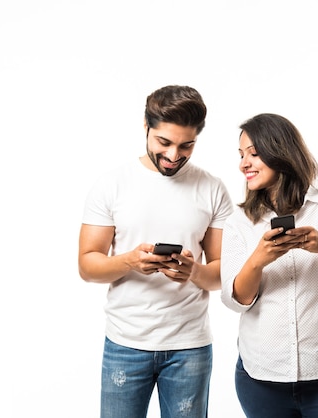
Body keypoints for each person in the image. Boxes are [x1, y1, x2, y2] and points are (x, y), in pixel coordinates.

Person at [78, 85, 233, 418]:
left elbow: (222, 272)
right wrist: (130, 261)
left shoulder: (212, 189)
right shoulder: (112, 185)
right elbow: (88, 265)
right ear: (146, 127)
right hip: (125, 342)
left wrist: (194, 271)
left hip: (189, 346)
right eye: (164, 142)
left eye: (186, 145)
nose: (174, 155)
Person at [220, 113, 318, 418]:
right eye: (240, 156)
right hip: (262, 379)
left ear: (280, 151)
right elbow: (235, 300)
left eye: (253, 153)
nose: (243, 164)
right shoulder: (239, 221)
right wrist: (258, 260)